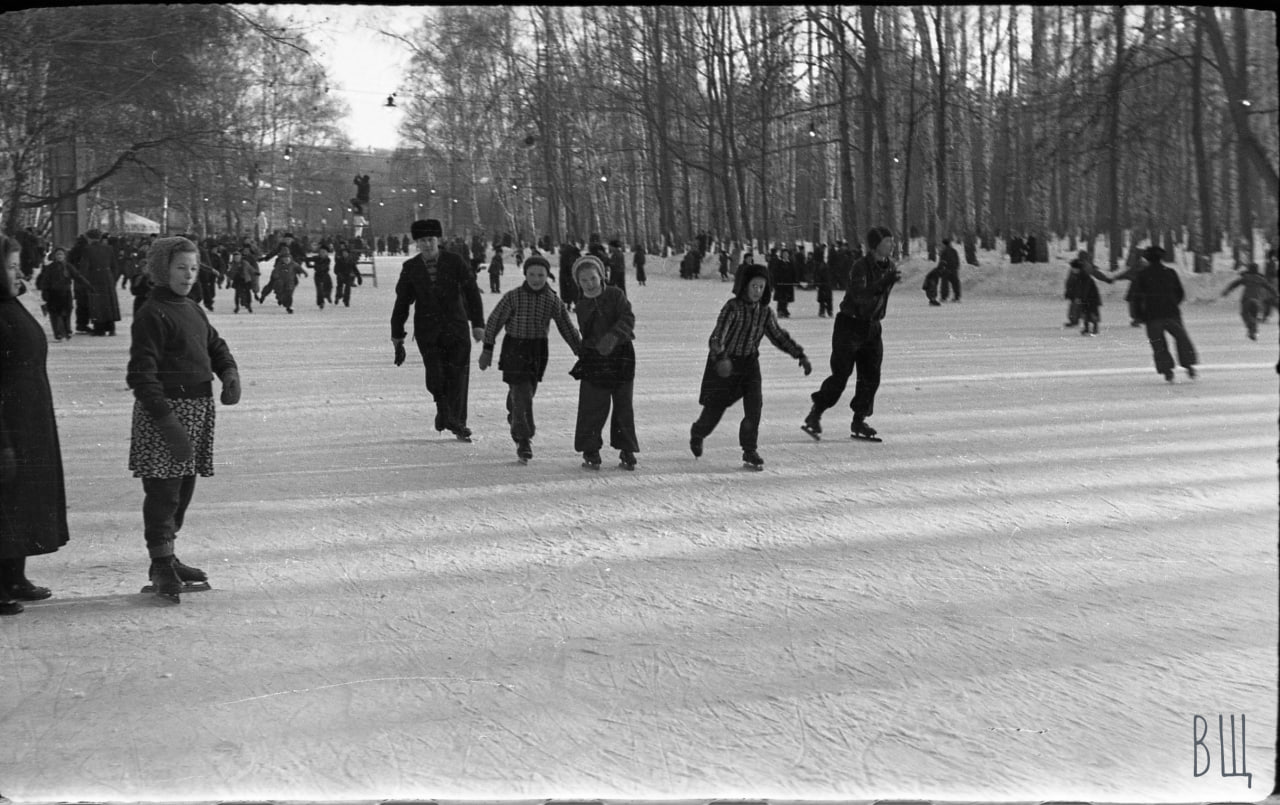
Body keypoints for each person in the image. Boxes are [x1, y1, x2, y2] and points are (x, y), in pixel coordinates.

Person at [126, 237, 240, 603]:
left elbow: (214, 344)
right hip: (165, 416)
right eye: (180, 268)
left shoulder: (192, 308)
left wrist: (228, 370)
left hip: (196, 412)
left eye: (193, 268)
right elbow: (141, 374)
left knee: (183, 491)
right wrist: (166, 421)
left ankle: (168, 554)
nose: (188, 275)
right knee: (163, 492)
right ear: (163, 270)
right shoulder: (152, 313)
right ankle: (160, 562)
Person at [0, 235, 69, 615]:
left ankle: (13, 576)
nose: (20, 273)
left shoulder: (8, 303)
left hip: (28, 418)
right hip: (8, 423)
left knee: (21, 500)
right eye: (11, 267)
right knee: (6, 502)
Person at [689, 262, 811, 469]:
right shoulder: (732, 307)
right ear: (745, 285)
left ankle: (749, 449)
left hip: (749, 365)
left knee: (754, 407)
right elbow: (717, 337)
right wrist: (721, 356)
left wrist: (799, 354)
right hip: (726, 365)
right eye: (754, 286)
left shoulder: (765, 312)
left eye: (761, 287)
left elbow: (778, 336)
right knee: (714, 410)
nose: (757, 291)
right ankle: (698, 432)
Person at [478, 254, 582, 464]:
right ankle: (523, 438)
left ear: (547, 275)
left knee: (525, 393)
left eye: (541, 275)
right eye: (532, 274)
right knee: (523, 393)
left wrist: (581, 351)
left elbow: (566, 326)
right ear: (525, 274)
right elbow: (495, 320)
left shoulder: (552, 300)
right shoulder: (513, 296)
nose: (536, 279)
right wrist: (487, 349)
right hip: (514, 348)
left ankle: (515, 413)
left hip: (537, 351)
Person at [803, 226, 902, 442]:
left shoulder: (890, 266)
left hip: (872, 327)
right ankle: (815, 413)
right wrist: (883, 282)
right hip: (849, 325)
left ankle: (859, 420)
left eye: (892, 241)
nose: (892, 245)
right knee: (841, 374)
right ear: (875, 246)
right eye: (887, 241)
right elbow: (859, 296)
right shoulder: (860, 266)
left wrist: (886, 282)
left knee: (871, 376)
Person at [391, 218, 487, 441]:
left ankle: (458, 422)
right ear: (417, 243)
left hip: (456, 327)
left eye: (431, 240)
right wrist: (397, 334)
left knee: (458, 375)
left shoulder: (454, 262)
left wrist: (477, 324)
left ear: (438, 240)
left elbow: (472, 292)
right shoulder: (411, 268)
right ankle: (443, 408)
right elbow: (402, 303)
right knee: (436, 374)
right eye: (422, 241)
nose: (427, 244)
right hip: (428, 331)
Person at [568, 255, 638, 470]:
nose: (589, 284)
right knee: (592, 405)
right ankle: (590, 449)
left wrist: (614, 336)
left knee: (623, 404)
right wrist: (586, 352)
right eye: (584, 280)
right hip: (596, 358)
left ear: (601, 276)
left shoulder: (616, 295)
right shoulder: (581, 305)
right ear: (578, 282)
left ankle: (626, 448)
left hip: (621, 355)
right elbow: (586, 333)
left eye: (593, 278)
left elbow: (628, 318)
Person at [1130, 245, 1197, 382]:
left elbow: (1136, 297)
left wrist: (1138, 315)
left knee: (1158, 344)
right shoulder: (1170, 272)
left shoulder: (1142, 275)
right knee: (1182, 339)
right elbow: (1180, 292)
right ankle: (1188, 365)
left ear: (1147, 259)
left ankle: (1167, 370)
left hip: (1152, 315)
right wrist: (1173, 303)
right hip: (1171, 313)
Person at [35, 246, 89, 341]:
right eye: (58, 254)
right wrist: (45, 292)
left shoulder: (68, 266)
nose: (59, 256)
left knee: (66, 313)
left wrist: (87, 285)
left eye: (61, 254)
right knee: (55, 315)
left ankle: (67, 330)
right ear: (55, 256)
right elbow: (45, 281)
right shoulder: (50, 268)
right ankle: (58, 333)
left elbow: (77, 276)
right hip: (53, 294)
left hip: (66, 293)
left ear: (64, 256)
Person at [78, 229, 122, 336]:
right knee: (109, 303)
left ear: (89, 238)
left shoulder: (88, 249)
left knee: (97, 304)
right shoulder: (109, 248)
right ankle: (111, 328)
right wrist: (113, 279)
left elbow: (84, 267)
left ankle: (99, 328)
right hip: (108, 278)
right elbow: (115, 266)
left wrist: (83, 280)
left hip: (94, 278)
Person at [1220, 263, 1279, 341]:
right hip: (1257, 300)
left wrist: (1227, 291)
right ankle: (1253, 332)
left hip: (1246, 300)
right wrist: (1276, 295)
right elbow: (1270, 287)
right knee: (1254, 316)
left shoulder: (1246, 278)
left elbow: (1235, 284)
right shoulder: (1261, 279)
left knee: (1244, 314)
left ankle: (1251, 329)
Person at [259, 245, 307, 313]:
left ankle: (288, 305)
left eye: (287, 256)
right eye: (284, 256)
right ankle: (267, 295)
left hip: (289, 279)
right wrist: (276, 276)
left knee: (289, 291)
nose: (286, 259)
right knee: (273, 286)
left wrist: (303, 272)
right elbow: (276, 269)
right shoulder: (279, 262)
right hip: (279, 278)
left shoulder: (292, 262)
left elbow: (298, 267)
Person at [307, 245, 334, 309]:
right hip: (318, 275)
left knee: (329, 286)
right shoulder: (316, 258)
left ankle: (327, 295)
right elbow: (307, 259)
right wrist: (309, 265)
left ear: (327, 253)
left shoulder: (327, 259)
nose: (322, 253)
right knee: (319, 289)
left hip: (325, 274)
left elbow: (323, 266)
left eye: (324, 252)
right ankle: (321, 302)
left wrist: (315, 266)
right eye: (321, 252)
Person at [938, 237, 961, 302]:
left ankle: (944, 297)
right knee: (955, 283)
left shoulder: (944, 251)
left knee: (944, 284)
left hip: (946, 269)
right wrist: (956, 267)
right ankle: (957, 297)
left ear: (944, 244)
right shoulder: (954, 251)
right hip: (954, 269)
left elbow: (942, 261)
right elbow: (957, 260)